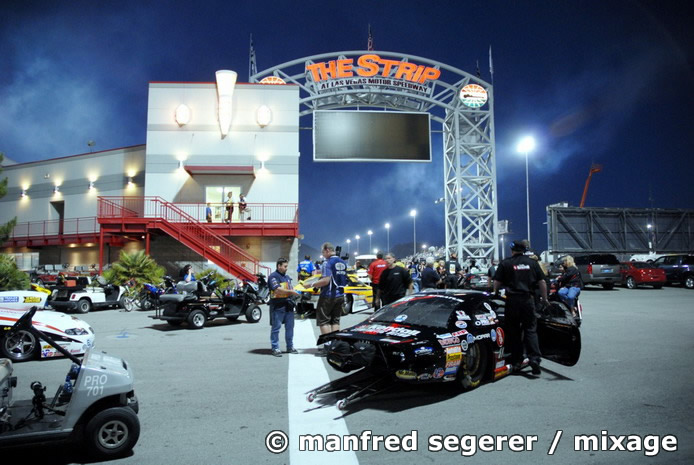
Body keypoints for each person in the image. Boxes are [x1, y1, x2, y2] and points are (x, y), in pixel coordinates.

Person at [493, 239, 547, 376]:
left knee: (514, 331)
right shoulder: (532, 263)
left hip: (512, 301)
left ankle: (517, 361)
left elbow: (497, 281)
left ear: (512, 250)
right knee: (530, 330)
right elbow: (542, 282)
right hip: (528, 300)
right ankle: (534, 359)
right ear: (524, 250)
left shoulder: (506, 263)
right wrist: (545, 299)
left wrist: (494, 294)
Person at [312, 242, 348, 353]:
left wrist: (312, 284)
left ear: (327, 250)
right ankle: (335, 346)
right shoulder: (343, 262)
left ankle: (327, 347)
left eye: (323, 252)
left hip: (328, 295)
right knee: (335, 321)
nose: (322, 255)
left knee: (324, 321)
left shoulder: (327, 263)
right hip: (340, 295)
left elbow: (326, 280)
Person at [268, 258, 301, 357]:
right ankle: (275, 348)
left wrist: (295, 292)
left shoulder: (286, 277)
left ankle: (290, 347)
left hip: (288, 306)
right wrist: (291, 292)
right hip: (278, 307)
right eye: (285, 266)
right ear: (279, 266)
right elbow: (277, 290)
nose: (286, 268)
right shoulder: (273, 277)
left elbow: (289, 288)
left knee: (290, 328)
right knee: (276, 328)